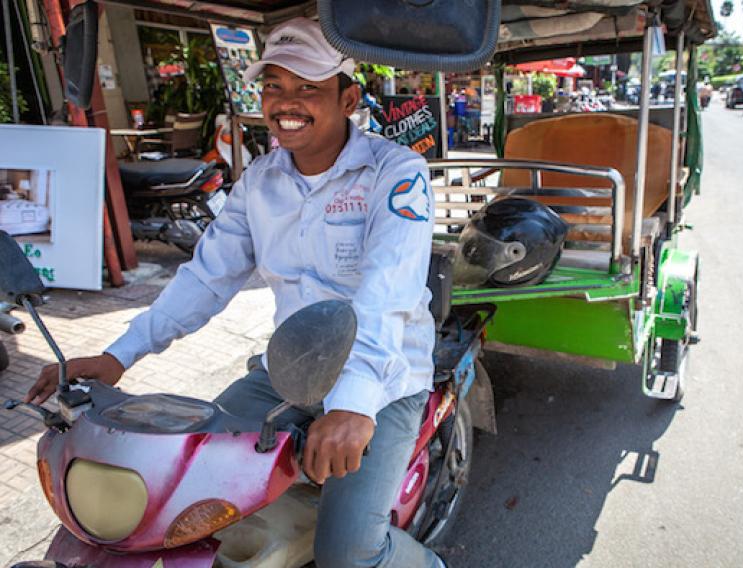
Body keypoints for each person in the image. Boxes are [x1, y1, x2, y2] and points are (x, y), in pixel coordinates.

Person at [26, 17, 447, 568]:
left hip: (385, 380)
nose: (286, 102)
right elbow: (206, 278)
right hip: (288, 372)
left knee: (348, 554)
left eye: (307, 88)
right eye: (274, 86)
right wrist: (116, 356)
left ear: (348, 98)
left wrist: (351, 407)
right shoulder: (260, 181)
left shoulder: (397, 172)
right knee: (184, 489)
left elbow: (386, 293)